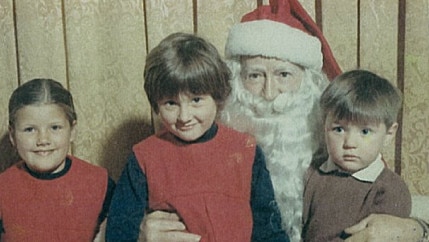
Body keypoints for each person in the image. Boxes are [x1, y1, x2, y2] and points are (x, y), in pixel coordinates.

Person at [138, 0, 428, 241]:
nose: (269, 93)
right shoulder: (200, 134)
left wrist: (418, 229)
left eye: (283, 75)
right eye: (254, 75)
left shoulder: (338, 143)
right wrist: (139, 230)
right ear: (235, 82)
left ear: (310, 84)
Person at [105, 32, 289, 242]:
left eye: (196, 100)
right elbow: (118, 231)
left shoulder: (245, 149)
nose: (184, 117)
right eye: (171, 103)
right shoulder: (144, 157)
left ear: (218, 97)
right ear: (156, 104)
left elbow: (269, 229)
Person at [302, 69, 412, 241]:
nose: (350, 143)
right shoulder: (312, 175)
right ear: (325, 126)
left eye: (365, 131)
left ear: (389, 134)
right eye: (339, 129)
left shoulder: (390, 189)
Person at [1, 78, 115, 241]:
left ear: (72, 130)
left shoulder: (100, 182)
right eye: (30, 129)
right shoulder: (3, 187)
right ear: (12, 135)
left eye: (55, 127)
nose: (43, 140)